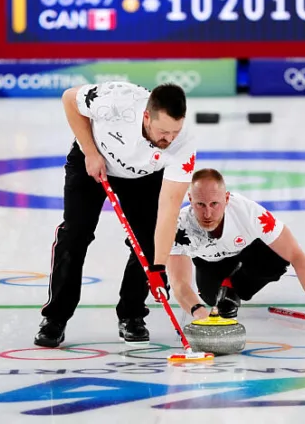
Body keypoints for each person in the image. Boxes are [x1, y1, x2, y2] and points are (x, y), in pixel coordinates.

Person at [34, 81, 196, 347]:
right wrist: (90, 152)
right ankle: (55, 318)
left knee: (148, 241)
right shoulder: (116, 101)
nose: (168, 140)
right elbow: (69, 99)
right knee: (75, 235)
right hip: (93, 159)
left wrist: (158, 266)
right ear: (146, 117)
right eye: (163, 132)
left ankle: (132, 314)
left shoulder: (184, 144)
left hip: (143, 177)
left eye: (174, 132)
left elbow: (169, 208)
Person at [165, 168, 305, 328]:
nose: (208, 214)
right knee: (213, 299)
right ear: (190, 199)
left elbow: (296, 255)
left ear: (226, 199)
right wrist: (201, 315)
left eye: (214, 204)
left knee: (277, 258)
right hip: (209, 264)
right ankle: (225, 286)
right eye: (200, 204)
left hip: (246, 255)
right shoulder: (178, 226)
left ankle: (233, 285)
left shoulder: (249, 213)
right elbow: (179, 282)